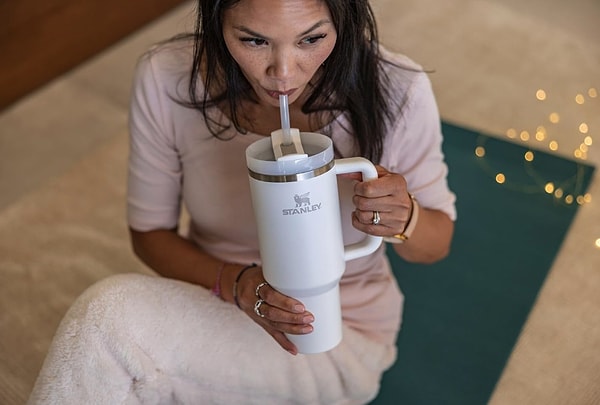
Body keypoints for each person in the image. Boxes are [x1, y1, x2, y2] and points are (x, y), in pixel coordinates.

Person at [28, 0, 456, 403]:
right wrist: (236, 284)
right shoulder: (167, 76)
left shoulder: (399, 87)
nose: (283, 73)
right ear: (217, 22)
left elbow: (437, 245)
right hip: (216, 303)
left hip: (335, 335)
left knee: (111, 333)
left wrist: (407, 216)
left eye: (311, 39)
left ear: (343, 20)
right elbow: (149, 234)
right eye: (253, 40)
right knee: (110, 335)